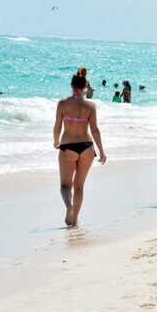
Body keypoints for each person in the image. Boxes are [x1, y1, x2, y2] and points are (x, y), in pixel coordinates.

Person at [53, 67, 107, 227]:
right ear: (85, 86)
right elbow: (95, 129)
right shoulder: (90, 106)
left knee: (65, 185)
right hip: (87, 147)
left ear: (71, 85)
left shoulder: (62, 104)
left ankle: (69, 206)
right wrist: (102, 151)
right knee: (79, 186)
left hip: (68, 146)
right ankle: (75, 220)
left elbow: (57, 126)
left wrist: (56, 141)